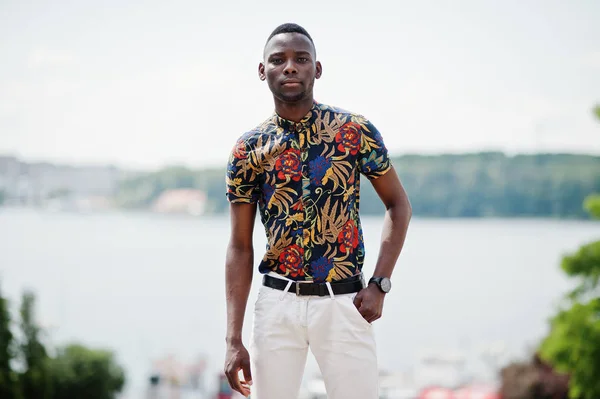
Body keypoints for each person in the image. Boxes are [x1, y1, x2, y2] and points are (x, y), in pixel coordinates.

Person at [223, 22, 412, 399]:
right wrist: (233, 339)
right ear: (263, 71)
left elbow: (398, 205)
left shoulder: (354, 131)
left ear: (317, 69)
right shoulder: (248, 149)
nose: (290, 67)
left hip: (344, 303)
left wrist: (380, 284)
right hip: (277, 305)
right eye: (278, 60)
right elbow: (240, 248)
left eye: (301, 59)